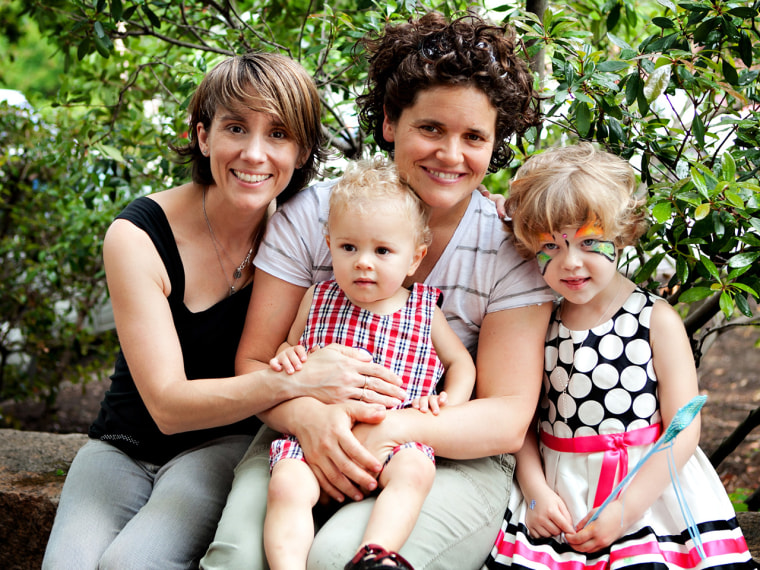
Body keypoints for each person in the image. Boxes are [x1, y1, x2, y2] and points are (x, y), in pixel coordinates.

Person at [201, 11, 556, 570]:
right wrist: (309, 420)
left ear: (494, 143)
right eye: (431, 128)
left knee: (343, 559)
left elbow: (508, 415)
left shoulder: (508, 249)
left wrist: (391, 428)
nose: (451, 154)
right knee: (240, 559)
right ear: (391, 121)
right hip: (301, 428)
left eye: (474, 137)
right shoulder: (315, 216)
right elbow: (254, 361)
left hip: (448, 450)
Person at [42, 52, 405, 570]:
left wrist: (494, 209)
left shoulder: (314, 237)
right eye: (236, 127)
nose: (255, 154)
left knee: (132, 564)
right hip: (123, 443)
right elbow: (166, 406)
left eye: (279, 134)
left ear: (302, 150)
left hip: (224, 444)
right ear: (203, 135)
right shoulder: (138, 235)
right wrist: (297, 382)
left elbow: (401, 225)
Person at [486, 143, 754, 569]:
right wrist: (536, 493)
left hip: (647, 495)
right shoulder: (538, 322)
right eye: (550, 247)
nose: (571, 262)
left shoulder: (655, 320)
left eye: (591, 242)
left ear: (623, 233)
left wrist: (626, 510)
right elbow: (520, 421)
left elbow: (683, 427)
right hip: (561, 497)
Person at [264, 158, 476, 569]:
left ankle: (376, 554)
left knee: (416, 471)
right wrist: (288, 356)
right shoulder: (317, 298)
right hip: (318, 445)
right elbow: (290, 350)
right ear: (330, 246)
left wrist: (450, 401)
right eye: (349, 248)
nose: (364, 261)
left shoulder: (423, 310)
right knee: (286, 486)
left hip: (393, 447)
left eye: (382, 251)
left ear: (414, 258)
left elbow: (460, 363)